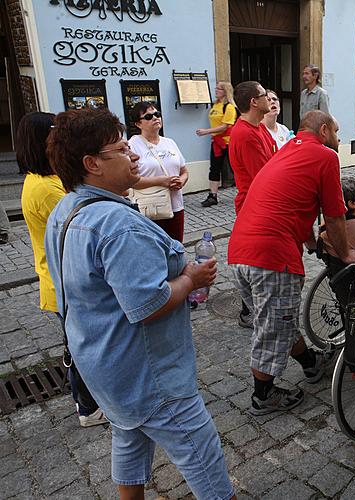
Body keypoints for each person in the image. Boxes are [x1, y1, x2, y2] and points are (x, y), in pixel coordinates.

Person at [44, 108, 235, 500]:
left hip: (103, 365)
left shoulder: (65, 210)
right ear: (92, 163)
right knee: (205, 462)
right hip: (150, 376)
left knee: (129, 439)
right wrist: (191, 279)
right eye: (120, 149)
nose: (133, 155)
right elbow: (149, 304)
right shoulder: (118, 225)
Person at [228, 110, 355, 416]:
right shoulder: (325, 156)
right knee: (272, 326)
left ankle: (311, 364)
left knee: (277, 318)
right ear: (324, 130)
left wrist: (312, 242)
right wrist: (345, 252)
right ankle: (263, 394)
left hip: (239, 251)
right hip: (271, 256)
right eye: (337, 133)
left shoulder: (286, 150)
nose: (338, 140)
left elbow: (290, 203)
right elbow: (335, 215)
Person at [18, 111, 107, 428]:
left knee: (78, 344)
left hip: (59, 278)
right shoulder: (46, 188)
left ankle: (87, 401)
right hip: (62, 283)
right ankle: (88, 407)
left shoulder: (45, 180)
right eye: (55, 132)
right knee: (81, 348)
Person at [229, 81, 277, 328]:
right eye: (264, 94)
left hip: (263, 203)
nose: (269, 97)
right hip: (254, 205)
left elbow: (275, 159)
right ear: (253, 102)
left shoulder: (260, 128)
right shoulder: (245, 134)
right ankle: (250, 311)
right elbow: (263, 175)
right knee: (257, 261)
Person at [128, 102, 189, 242]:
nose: (155, 118)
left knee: (176, 246)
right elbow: (131, 181)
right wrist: (162, 181)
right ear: (138, 124)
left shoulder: (169, 142)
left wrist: (181, 181)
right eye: (148, 116)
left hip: (175, 206)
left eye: (157, 114)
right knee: (154, 249)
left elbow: (184, 170)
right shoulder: (133, 145)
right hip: (150, 207)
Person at [196, 81, 237, 208]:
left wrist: (206, 131)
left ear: (226, 91)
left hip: (228, 142)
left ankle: (245, 192)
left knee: (235, 168)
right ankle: (212, 195)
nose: (216, 90)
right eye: (216, 88)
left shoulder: (229, 107)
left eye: (219, 89)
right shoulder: (216, 105)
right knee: (214, 168)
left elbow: (225, 126)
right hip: (217, 142)